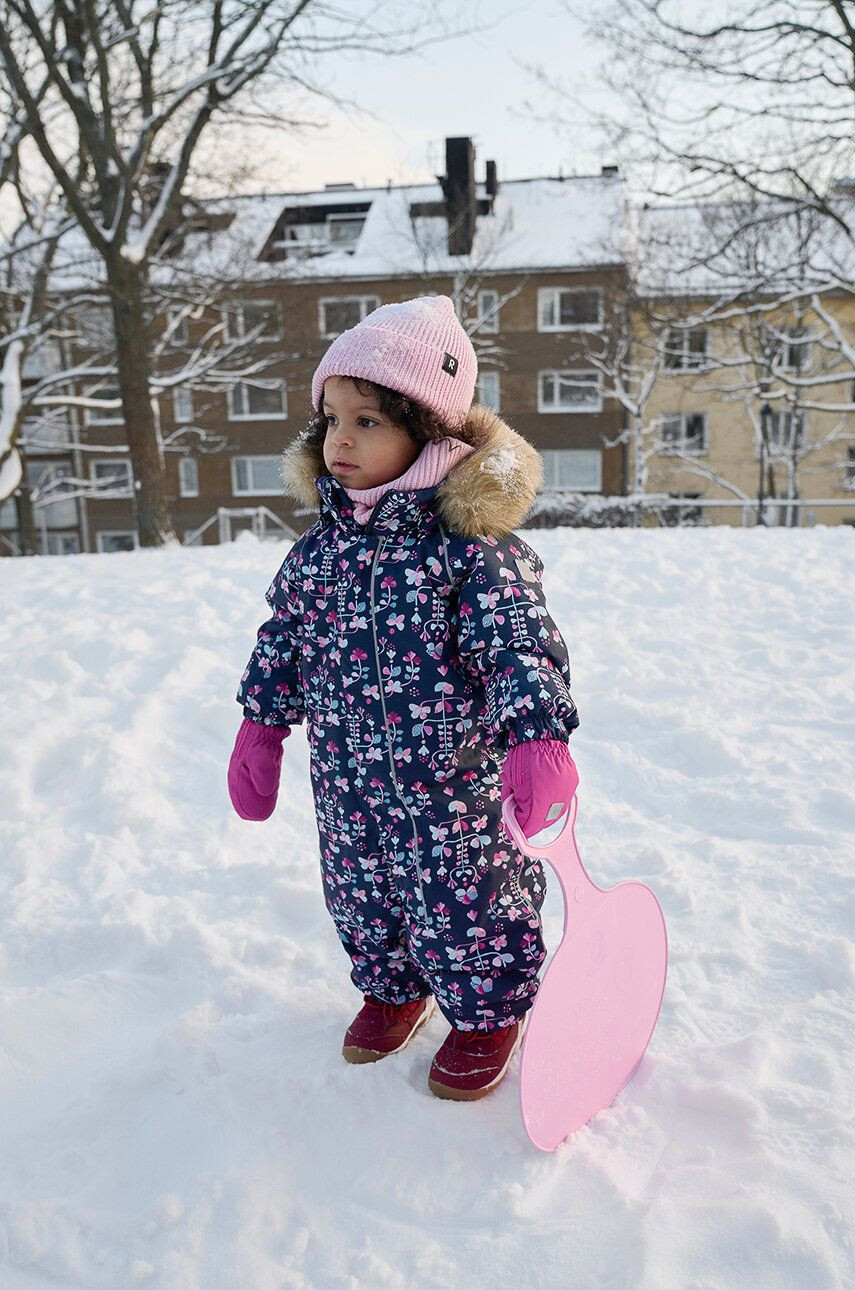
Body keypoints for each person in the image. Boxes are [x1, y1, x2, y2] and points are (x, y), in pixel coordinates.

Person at [228, 295, 580, 1102]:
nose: (339, 440)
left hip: (450, 786)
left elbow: (515, 644)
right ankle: (392, 988)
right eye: (331, 420)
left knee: (468, 898)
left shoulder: (470, 550)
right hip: (347, 780)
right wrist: (261, 728)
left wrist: (536, 739)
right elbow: (282, 639)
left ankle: (488, 1011)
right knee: (359, 890)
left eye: (368, 421)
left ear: (431, 434)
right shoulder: (320, 551)